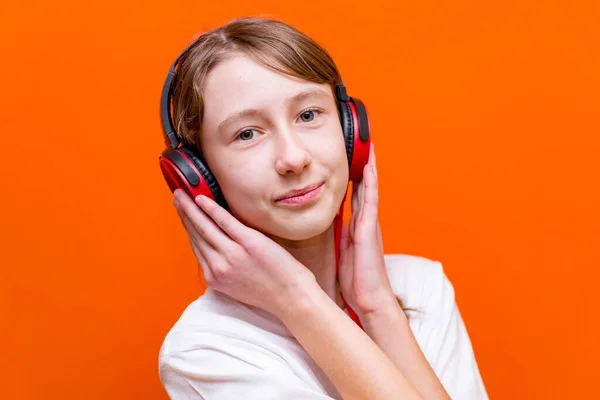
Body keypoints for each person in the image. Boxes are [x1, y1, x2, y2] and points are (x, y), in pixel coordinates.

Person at [158, 17, 488, 400]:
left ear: (351, 130)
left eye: (308, 115)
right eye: (247, 134)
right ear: (197, 174)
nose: (294, 158)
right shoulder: (205, 351)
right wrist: (295, 297)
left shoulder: (421, 288)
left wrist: (378, 308)